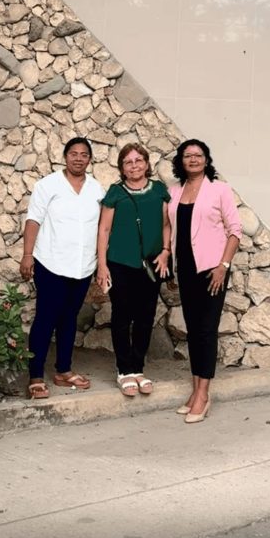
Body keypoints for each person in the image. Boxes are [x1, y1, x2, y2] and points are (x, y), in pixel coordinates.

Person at [20, 137, 104, 399]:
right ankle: (35, 375)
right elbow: (34, 220)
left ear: (90, 159)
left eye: (84, 154)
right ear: (65, 156)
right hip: (51, 263)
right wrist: (27, 255)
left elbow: (103, 227)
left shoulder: (97, 190)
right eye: (73, 153)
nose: (78, 158)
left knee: (70, 318)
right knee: (46, 318)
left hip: (82, 267)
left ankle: (63, 371)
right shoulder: (48, 185)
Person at [168, 139, 242, 424]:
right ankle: (195, 388)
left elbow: (235, 230)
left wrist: (223, 265)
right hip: (186, 269)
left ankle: (203, 394)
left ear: (207, 160)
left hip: (212, 271)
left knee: (206, 330)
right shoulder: (176, 192)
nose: (193, 159)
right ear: (181, 161)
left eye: (198, 155)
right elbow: (169, 227)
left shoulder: (219, 189)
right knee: (193, 330)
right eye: (188, 155)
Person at [96, 143, 171, 397]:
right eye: (128, 162)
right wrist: (102, 265)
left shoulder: (159, 191)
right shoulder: (115, 193)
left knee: (146, 316)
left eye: (139, 160)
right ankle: (124, 370)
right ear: (122, 168)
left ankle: (138, 368)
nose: (134, 165)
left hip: (151, 264)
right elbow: (104, 230)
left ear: (147, 164)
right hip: (120, 263)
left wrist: (165, 252)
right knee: (121, 316)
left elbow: (166, 225)